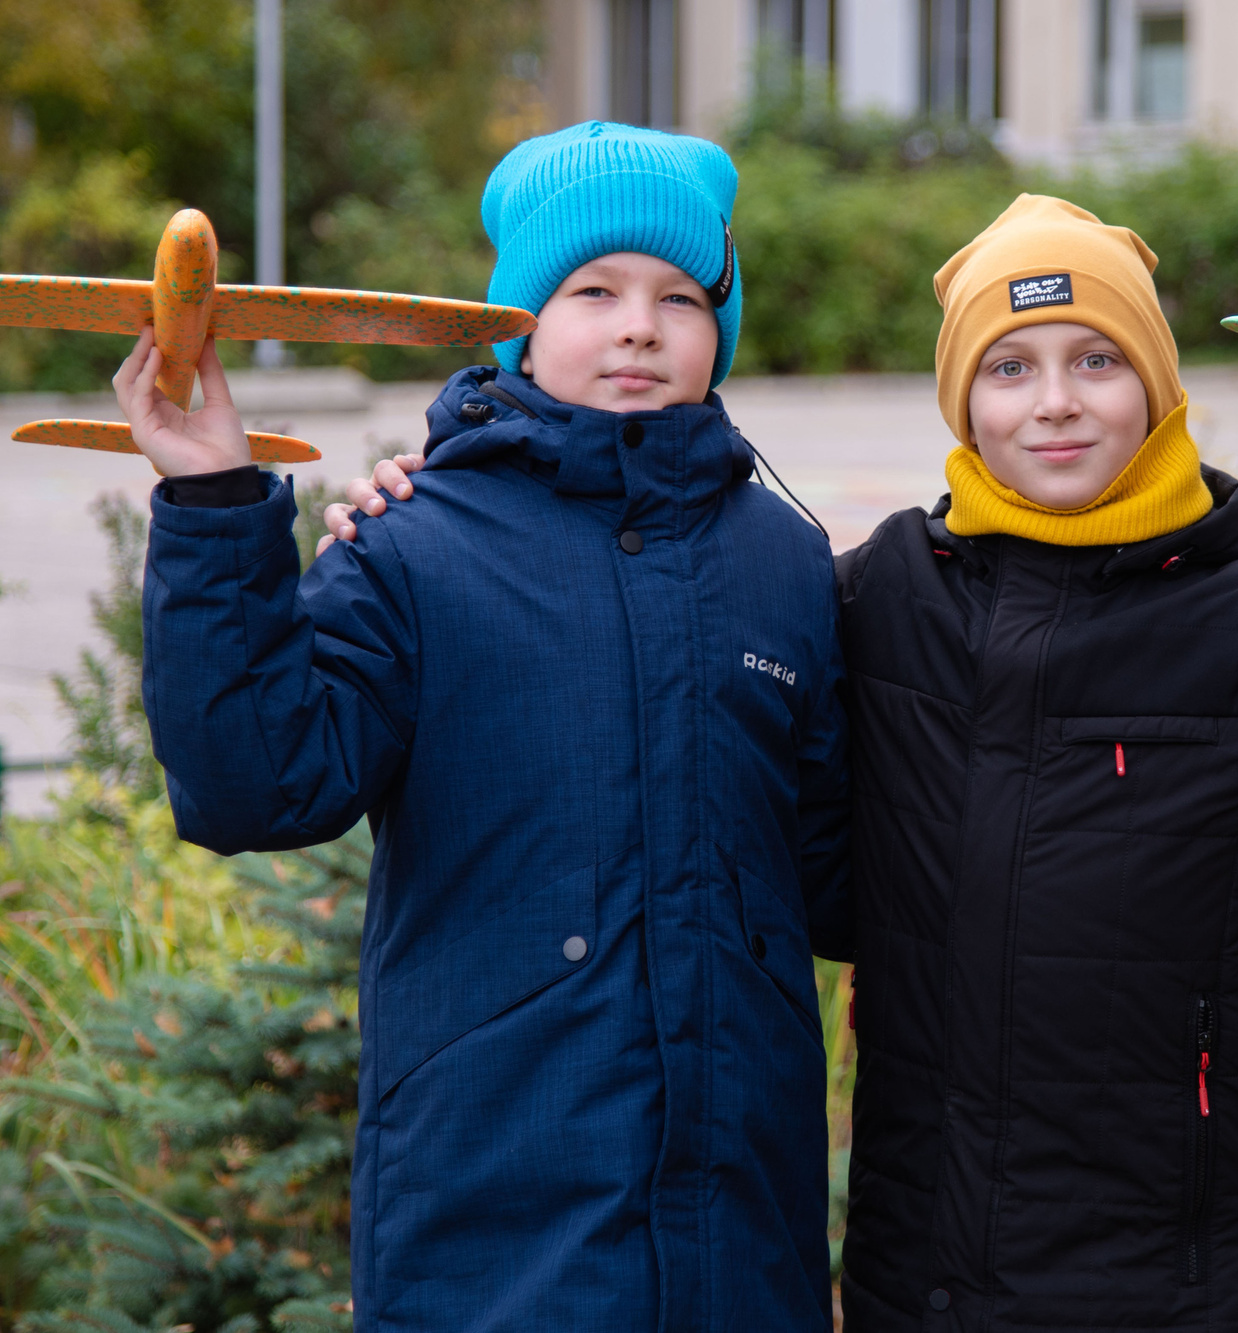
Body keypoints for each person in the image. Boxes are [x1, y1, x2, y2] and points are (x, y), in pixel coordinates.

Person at [328, 193, 1238, 1333]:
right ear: (964, 398)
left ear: (1158, 386)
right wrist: (463, 498)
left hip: (1187, 1296)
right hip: (924, 1289)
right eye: (1011, 368)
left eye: (1097, 360)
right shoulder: (882, 597)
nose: (1057, 402)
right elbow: (688, 695)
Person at [124, 120, 850, 1333]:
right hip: (493, 1225)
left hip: (742, 1241)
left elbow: (841, 876)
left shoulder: (783, 560)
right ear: (516, 317)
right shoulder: (419, 545)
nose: (638, 324)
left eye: (681, 295)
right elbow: (257, 785)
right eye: (593, 288)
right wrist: (211, 502)